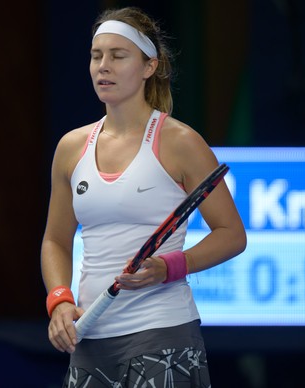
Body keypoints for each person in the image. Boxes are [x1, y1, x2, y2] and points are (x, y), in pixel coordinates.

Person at [41, 7, 246, 387]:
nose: (104, 66)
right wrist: (60, 300)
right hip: (89, 338)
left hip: (163, 332)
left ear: (149, 66)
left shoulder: (181, 142)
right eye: (96, 55)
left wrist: (170, 267)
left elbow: (232, 234)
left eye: (118, 56)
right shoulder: (71, 148)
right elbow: (55, 239)